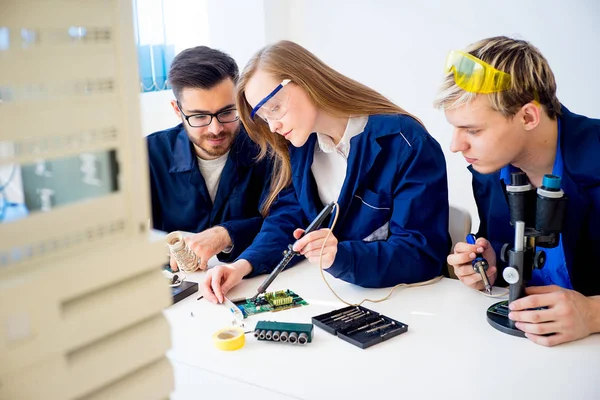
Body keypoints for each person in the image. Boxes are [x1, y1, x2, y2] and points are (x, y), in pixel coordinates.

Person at [202, 40, 450, 303]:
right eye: (264, 116)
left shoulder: (404, 141)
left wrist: (340, 256)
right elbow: (289, 218)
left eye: (274, 107)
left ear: (305, 80)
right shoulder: (302, 144)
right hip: (341, 296)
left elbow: (422, 253)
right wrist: (242, 266)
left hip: (411, 302)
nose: (273, 126)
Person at [436, 36, 600, 346]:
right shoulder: (491, 171)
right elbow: (509, 267)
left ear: (528, 116)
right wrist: (489, 266)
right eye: (455, 129)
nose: (456, 146)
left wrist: (592, 313)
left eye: (473, 130)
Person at [146, 46, 272, 270]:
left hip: (250, 278)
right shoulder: (150, 154)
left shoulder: (268, 147)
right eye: (200, 116)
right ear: (177, 110)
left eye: (226, 112)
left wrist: (226, 234)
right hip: (182, 287)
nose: (216, 129)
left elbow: (289, 220)